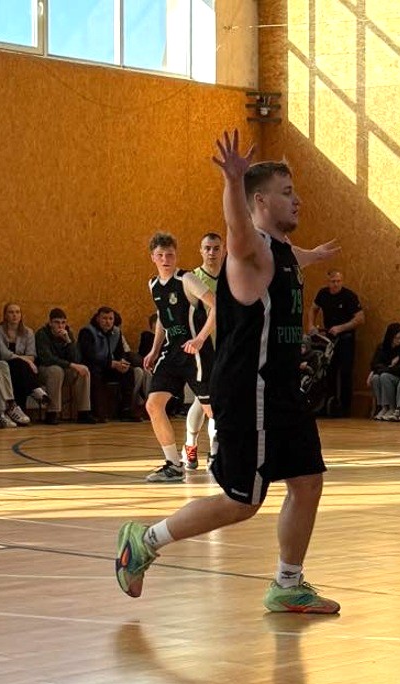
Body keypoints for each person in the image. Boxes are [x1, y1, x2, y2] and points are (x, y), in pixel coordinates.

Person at [115, 130, 342, 613]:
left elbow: (291, 257)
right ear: (260, 201)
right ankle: (144, 541)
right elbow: (237, 231)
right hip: (249, 394)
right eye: (287, 192)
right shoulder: (250, 250)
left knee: (307, 482)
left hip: (282, 392)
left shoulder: (281, 252)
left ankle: (288, 584)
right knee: (242, 502)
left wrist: (315, 256)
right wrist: (232, 182)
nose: (297, 200)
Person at [141, 231, 217, 484]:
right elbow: (163, 318)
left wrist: (201, 339)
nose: (166, 259)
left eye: (170, 255)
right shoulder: (153, 284)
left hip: (195, 352)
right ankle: (173, 464)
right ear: (153, 257)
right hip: (171, 352)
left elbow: (216, 305)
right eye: (161, 255)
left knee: (212, 410)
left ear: (176, 256)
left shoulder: (187, 279)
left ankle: (232, 456)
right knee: (153, 405)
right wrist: (154, 350)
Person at [183, 232, 225, 469]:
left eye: (216, 248)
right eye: (207, 248)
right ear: (200, 251)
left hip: (227, 347)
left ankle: (214, 452)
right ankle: (192, 445)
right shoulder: (193, 279)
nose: (211, 252)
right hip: (203, 349)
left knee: (214, 400)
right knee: (204, 400)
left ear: (223, 250)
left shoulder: (231, 277)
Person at [311, 270, 365, 417]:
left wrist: (341, 328)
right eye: (333, 281)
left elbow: (360, 319)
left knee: (345, 372)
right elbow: (313, 308)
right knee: (329, 371)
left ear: (342, 281)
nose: (335, 284)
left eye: (338, 281)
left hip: (345, 338)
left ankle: (345, 408)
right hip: (329, 339)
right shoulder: (323, 294)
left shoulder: (349, 296)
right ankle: (329, 406)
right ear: (328, 282)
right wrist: (311, 325)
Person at [78, 307, 140, 422]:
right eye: (104, 318)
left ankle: (126, 410)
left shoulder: (116, 332)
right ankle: (97, 413)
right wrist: (111, 364)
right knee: (94, 373)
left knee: (129, 372)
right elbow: (89, 356)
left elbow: (120, 352)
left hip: (109, 366)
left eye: (111, 319)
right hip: (93, 366)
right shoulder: (87, 332)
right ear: (98, 319)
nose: (108, 322)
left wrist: (122, 362)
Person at [35, 308, 95, 425]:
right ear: (50, 323)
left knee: (83, 370)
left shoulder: (68, 333)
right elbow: (47, 359)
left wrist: (68, 342)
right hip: (45, 370)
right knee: (56, 370)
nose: (60, 326)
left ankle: (83, 412)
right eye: (57, 322)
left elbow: (76, 359)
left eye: (63, 323)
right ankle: (52, 413)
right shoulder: (42, 334)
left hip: (64, 370)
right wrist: (71, 365)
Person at [0, 303, 50, 424]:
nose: (15, 315)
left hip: (21, 370)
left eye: (17, 312)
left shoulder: (28, 332)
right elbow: (4, 354)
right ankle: (35, 390)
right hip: (4, 365)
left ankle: (20, 412)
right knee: (19, 365)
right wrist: (25, 360)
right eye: (11, 312)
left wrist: (26, 361)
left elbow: (32, 355)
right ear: (5, 315)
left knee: (20, 369)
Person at [369, 323, 400, 421]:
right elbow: (374, 364)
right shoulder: (382, 347)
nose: (399, 340)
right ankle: (383, 407)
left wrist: (384, 369)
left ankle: (391, 407)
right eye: (397, 338)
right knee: (375, 378)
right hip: (387, 373)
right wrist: (389, 367)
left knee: (384, 376)